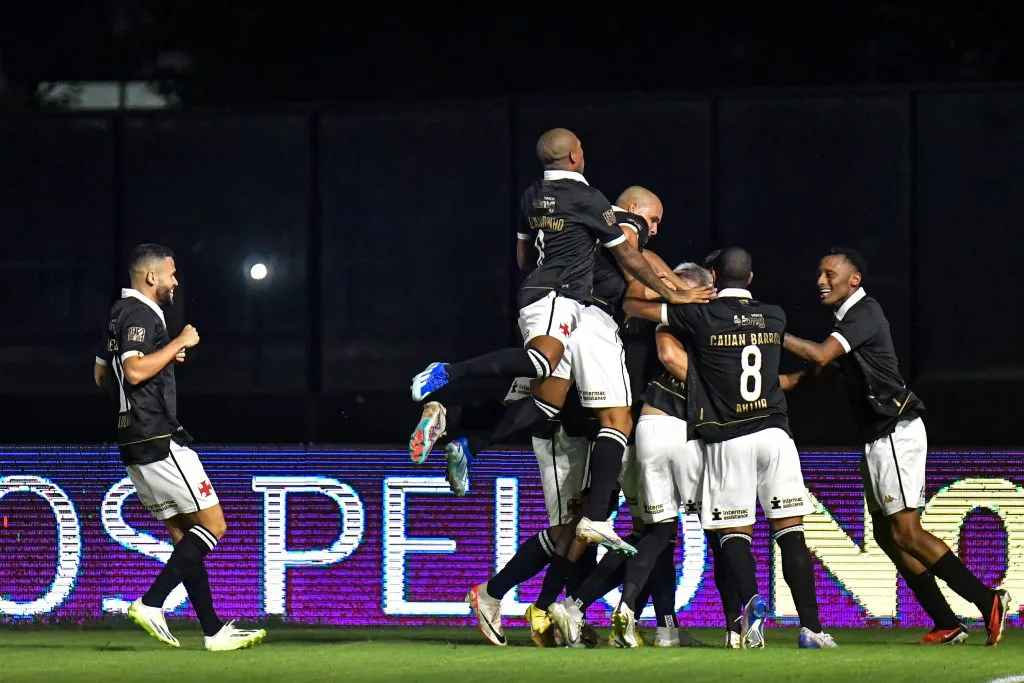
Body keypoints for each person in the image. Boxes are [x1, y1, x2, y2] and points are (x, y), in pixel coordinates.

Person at [782, 247, 1011, 646]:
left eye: (829, 273)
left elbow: (819, 354)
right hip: (877, 435)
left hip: (895, 430)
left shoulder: (863, 313)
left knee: (906, 531)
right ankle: (946, 621)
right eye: (818, 273)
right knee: (888, 536)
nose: (820, 280)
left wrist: (770, 333)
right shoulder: (847, 321)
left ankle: (987, 600)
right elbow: (817, 372)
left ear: (854, 280)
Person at [623, 246, 837, 649]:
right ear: (752, 279)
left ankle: (752, 607)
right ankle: (812, 629)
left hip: (729, 435)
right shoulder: (775, 315)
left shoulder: (700, 315)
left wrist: (679, 295)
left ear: (714, 279)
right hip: (776, 433)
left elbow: (633, 305)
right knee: (790, 532)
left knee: (732, 531)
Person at [94, 244, 266, 652]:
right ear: (151, 277)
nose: (175, 282)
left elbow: (104, 374)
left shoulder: (117, 314)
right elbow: (134, 371)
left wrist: (164, 355)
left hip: (133, 439)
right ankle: (152, 603)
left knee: (184, 536)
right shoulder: (140, 312)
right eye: (171, 274)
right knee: (215, 525)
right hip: (158, 436)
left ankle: (212, 630)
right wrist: (178, 342)